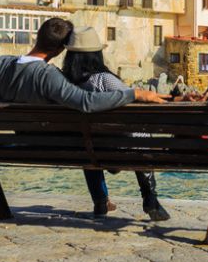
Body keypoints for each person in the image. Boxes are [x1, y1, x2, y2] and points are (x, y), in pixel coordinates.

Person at [63, 27, 184, 221]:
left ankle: (100, 201)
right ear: (96, 55)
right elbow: (135, 102)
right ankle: (150, 199)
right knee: (142, 136)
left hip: (88, 149)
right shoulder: (104, 80)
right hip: (120, 148)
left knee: (88, 144)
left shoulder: (64, 84)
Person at [0, 17, 169, 112]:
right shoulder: (48, 76)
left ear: (38, 37)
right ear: (59, 51)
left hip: (11, 142)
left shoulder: (0, 64)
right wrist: (134, 94)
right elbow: (86, 102)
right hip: (45, 145)